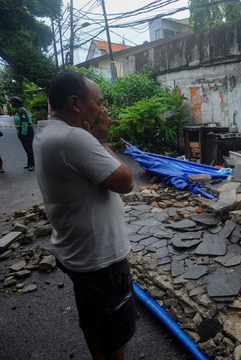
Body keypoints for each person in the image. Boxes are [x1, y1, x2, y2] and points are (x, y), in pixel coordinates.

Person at [33, 71, 135, 360]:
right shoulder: (75, 138)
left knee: (92, 316)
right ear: (75, 104)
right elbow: (125, 182)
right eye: (99, 102)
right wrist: (102, 139)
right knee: (114, 327)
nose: (104, 110)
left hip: (75, 251)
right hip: (99, 257)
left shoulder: (46, 131)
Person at [11, 96, 35, 171]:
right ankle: (29, 163)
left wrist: (24, 134)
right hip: (21, 132)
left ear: (14, 102)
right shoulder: (18, 111)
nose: (11, 103)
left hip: (26, 132)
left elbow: (25, 122)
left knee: (29, 149)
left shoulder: (22, 110)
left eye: (12, 102)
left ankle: (32, 164)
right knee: (27, 149)